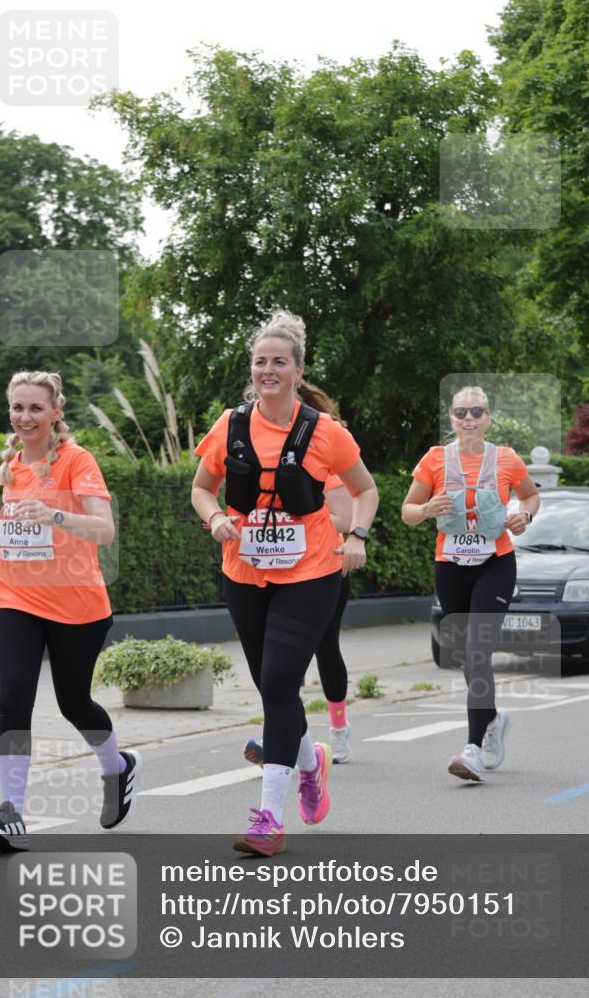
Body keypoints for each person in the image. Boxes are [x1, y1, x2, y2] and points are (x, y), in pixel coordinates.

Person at [191, 311, 378, 855]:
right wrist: (215, 518)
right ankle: (309, 761)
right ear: (251, 370)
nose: (267, 370)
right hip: (244, 571)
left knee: (277, 683)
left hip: (311, 571)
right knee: (272, 687)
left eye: (278, 362)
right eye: (259, 362)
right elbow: (202, 487)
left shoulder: (326, 432)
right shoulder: (229, 425)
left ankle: (269, 817)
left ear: (298, 370)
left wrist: (358, 537)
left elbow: (365, 491)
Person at [0, 371, 142, 852]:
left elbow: (104, 530)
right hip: (16, 598)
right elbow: (19, 541)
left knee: (74, 703)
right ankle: (11, 811)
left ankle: (118, 767)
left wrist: (56, 514)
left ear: (55, 412)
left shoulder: (75, 461)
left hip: (76, 603)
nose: (25, 417)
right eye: (18, 408)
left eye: (35, 409)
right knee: (13, 698)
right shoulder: (13, 466)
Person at [401, 386, 540, 782]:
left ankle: (473, 749)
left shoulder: (507, 459)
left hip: (495, 563)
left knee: (478, 652)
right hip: (451, 565)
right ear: (451, 418)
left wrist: (524, 517)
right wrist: (426, 509)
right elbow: (407, 512)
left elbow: (531, 498)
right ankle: (493, 718)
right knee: (468, 655)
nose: (469, 418)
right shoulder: (434, 460)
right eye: (461, 411)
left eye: (477, 411)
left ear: (488, 417)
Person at [243, 383, 355, 766]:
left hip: (319, 571)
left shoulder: (323, 452)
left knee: (324, 648)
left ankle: (337, 727)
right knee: (274, 673)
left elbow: (346, 515)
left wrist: (297, 517)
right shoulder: (246, 445)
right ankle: (293, 743)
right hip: (265, 573)